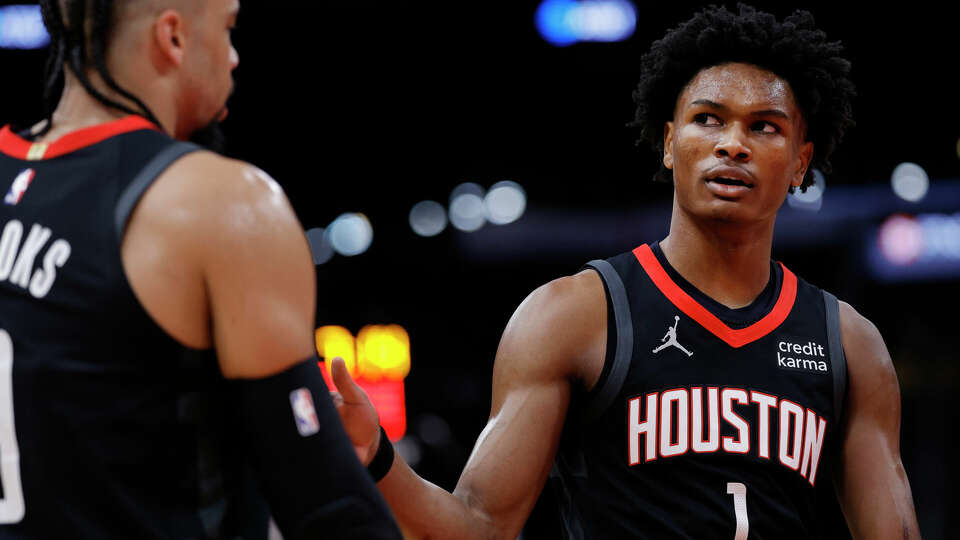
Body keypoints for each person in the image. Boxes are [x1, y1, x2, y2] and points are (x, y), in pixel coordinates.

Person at [331, 5, 922, 539]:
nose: (732, 145)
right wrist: (379, 462)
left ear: (800, 162)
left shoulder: (849, 344)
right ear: (669, 143)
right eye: (708, 119)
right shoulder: (573, 314)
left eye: (764, 126)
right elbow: (481, 527)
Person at [0, 0, 401, 538]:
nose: (234, 57)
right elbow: (332, 514)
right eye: (229, 28)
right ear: (173, 37)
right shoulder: (221, 202)